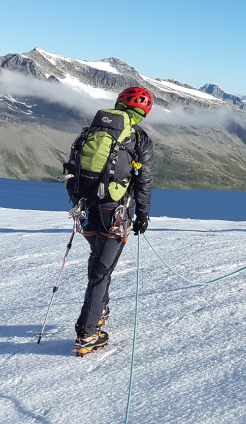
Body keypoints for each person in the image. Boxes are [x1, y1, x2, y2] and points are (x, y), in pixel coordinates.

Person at [69, 86, 155, 356]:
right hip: (113, 212)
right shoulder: (139, 138)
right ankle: (87, 333)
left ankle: (100, 309)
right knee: (102, 271)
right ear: (144, 111)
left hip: (84, 208)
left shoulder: (91, 130)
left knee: (97, 259)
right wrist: (142, 214)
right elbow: (144, 182)